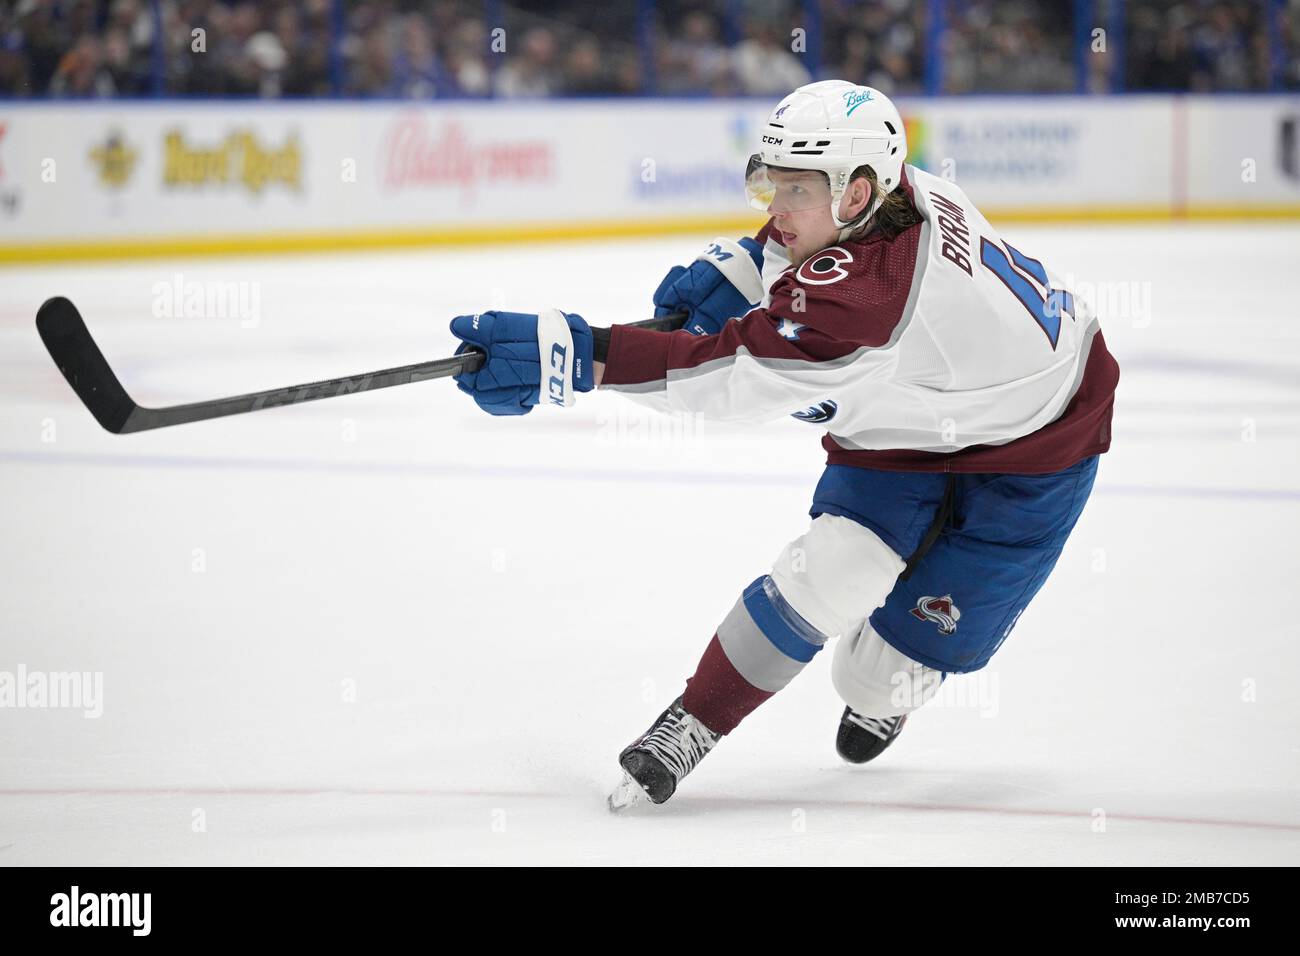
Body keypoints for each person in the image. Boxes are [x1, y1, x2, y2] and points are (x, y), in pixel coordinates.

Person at [447, 80, 1120, 809]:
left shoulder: (870, 297)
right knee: (833, 571)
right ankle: (692, 724)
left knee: (872, 677)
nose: (775, 209)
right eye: (770, 183)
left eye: (793, 191)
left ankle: (890, 684)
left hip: (1039, 448)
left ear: (856, 195)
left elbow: (720, 377)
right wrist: (740, 270)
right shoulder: (881, 200)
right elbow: (793, 262)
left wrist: (575, 355)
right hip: (910, 419)